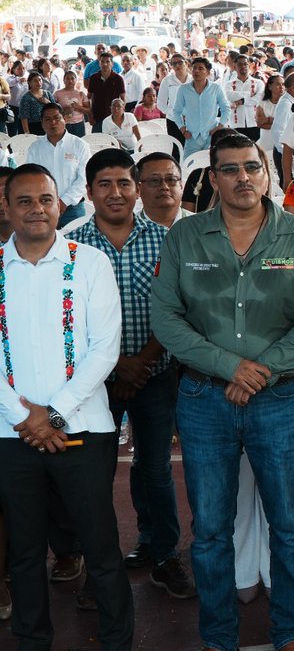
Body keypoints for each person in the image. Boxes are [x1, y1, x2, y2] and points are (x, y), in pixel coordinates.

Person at [150, 132, 294, 651]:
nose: (243, 178)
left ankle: (290, 632)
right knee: (209, 528)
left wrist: (264, 370)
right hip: (205, 399)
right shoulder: (185, 237)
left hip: (278, 400)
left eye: (252, 167)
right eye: (229, 170)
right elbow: (167, 319)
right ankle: (217, 638)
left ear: (267, 173)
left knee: (288, 522)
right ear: (213, 179)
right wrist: (231, 367)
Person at [0, 164, 131, 651]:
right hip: (12, 435)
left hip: (82, 429)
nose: (36, 208)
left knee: (99, 545)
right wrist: (23, 416)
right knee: (26, 551)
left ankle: (117, 649)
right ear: (7, 208)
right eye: (24, 200)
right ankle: (32, 649)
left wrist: (52, 414)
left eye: (45, 199)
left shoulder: (89, 262)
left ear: (61, 204)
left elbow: (105, 349)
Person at [65, 149, 194, 601]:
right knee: (93, 475)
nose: (115, 193)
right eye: (105, 184)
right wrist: (118, 364)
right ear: (89, 192)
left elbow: (176, 308)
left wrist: (141, 363)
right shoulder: (74, 248)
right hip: (94, 385)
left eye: (124, 183)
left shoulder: (166, 240)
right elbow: (72, 322)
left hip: (155, 375)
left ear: (137, 190)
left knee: (156, 469)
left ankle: (161, 555)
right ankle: (99, 570)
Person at [25, 104, 90, 227]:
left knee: (76, 244)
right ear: (42, 123)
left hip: (73, 208)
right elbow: (30, 179)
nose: (53, 122)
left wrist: (63, 202)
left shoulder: (80, 145)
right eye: (47, 119)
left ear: (64, 119)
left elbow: (84, 178)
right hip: (43, 209)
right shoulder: (35, 148)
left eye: (56, 118)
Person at [170, 58, 229, 159]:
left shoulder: (216, 88)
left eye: (201, 68)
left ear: (208, 72)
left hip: (211, 135)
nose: (196, 71)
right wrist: (183, 129)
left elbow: (226, 109)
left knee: (211, 167)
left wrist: (219, 127)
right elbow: (176, 111)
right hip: (191, 137)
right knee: (189, 168)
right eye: (194, 68)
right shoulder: (183, 89)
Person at [137, 152, 191, 227]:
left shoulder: (201, 226)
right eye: (154, 180)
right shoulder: (126, 231)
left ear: (181, 186)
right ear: (138, 188)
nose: (164, 187)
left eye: (171, 179)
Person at [224, 54, 266, 140]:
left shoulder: (258, 83)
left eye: (245, 64)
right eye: (240, 64)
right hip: (236, 124)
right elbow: (229, 96)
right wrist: (249, 94)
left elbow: (259, 99)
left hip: (254, 123)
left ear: (249, 65)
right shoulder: (229, 84)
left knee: (255, 149)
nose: (243, 66)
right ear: (234, 67)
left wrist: (242, 101)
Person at [86, 53, 125, 130]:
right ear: (99, 63)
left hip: (113, 116)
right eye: (102, 61)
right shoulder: (93, 78)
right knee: (97, 140)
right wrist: (90, 116)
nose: (105, 64)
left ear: (112, 64)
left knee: (113, 140)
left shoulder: (118, 79)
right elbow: (88, 98)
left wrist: (121, 115)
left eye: (107, 61)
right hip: (97, 116)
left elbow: (123, 99)